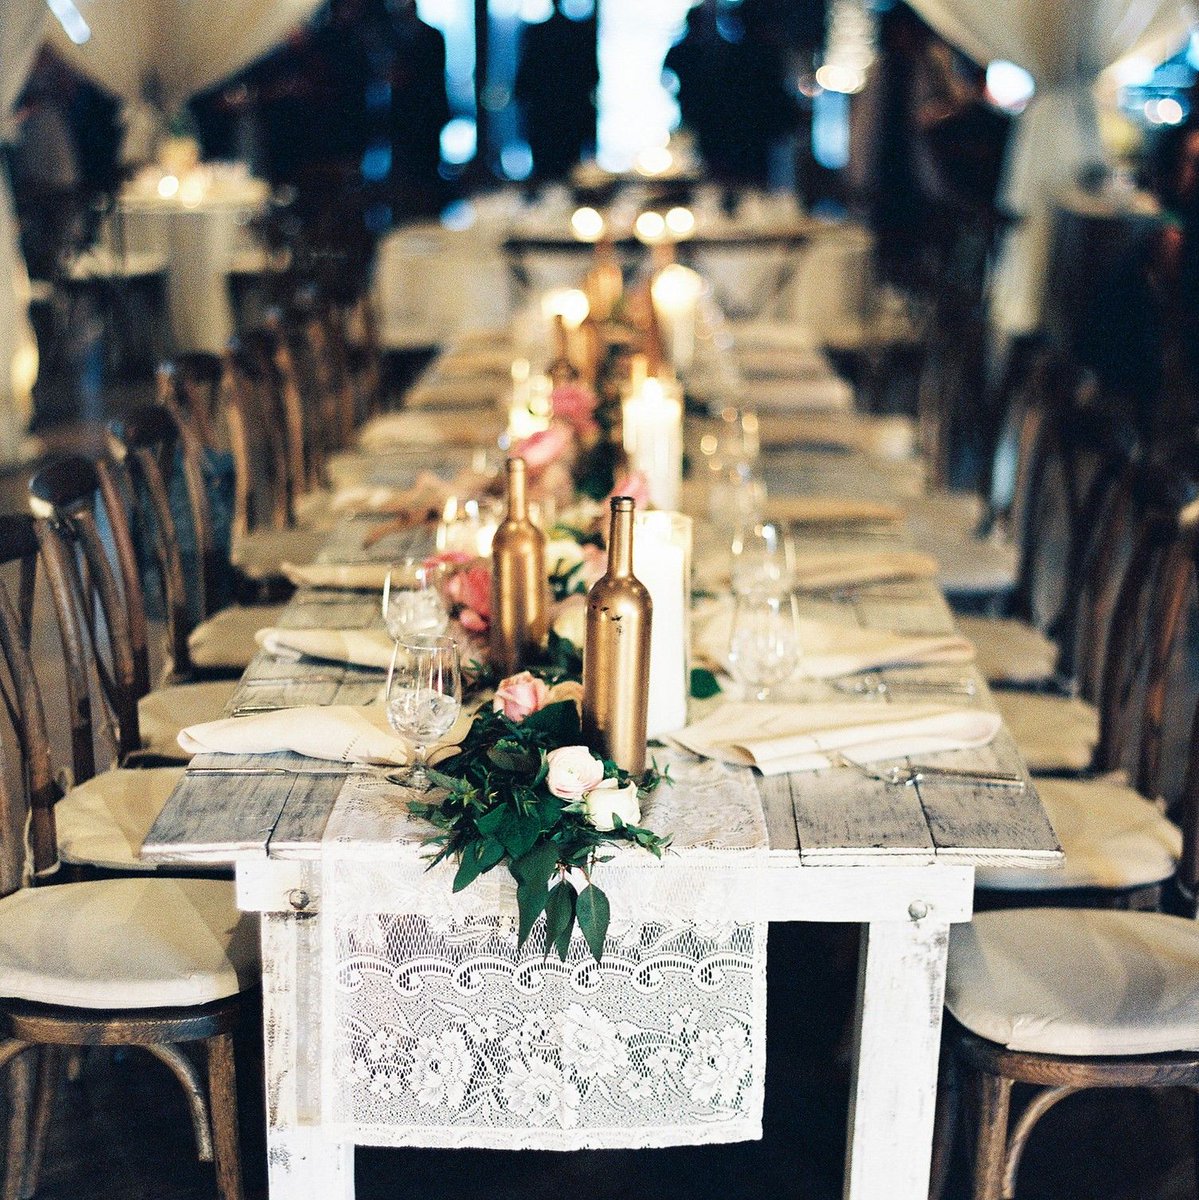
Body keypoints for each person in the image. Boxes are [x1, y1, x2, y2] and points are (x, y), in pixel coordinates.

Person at [515, 0, 599, 183]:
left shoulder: (536, 33)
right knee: (569, 174)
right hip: (570, 116)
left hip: (544, 117)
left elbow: (523, 81)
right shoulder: (579, 33)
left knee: (548, 174)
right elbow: (593, 77)